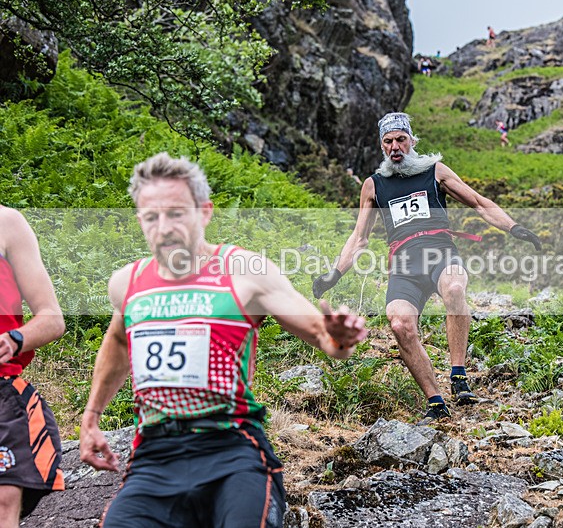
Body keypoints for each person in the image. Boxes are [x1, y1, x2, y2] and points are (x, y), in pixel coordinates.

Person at [79, 153, 367, 528]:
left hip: (232, 454)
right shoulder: (127, 283)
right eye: (152, 217)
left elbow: (321, 335)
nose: (163, 227)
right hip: (154, 459)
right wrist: (91, 417)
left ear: (205, 212)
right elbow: (118, 341)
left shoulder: (245, 272)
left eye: (176, 213)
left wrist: (340, 338)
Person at [312, 113, 541, 425]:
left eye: (401, 140)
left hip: (441, 253)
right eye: (388, 141)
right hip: (404, 266)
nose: (395, 146)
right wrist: (334, 274)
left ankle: (458, 374)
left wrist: (514, 227)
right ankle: (436, 401)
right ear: (382, 146)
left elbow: (476, 201)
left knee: (455, 288)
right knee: (399, 323)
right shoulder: (373, 186)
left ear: (412, 141)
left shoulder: (435, 171)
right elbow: (359, 237)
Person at [0, 207, 66, 526]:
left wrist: (14, 339)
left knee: (4, 499)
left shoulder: (7, 223)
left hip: (2, 392)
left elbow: (52, 318)